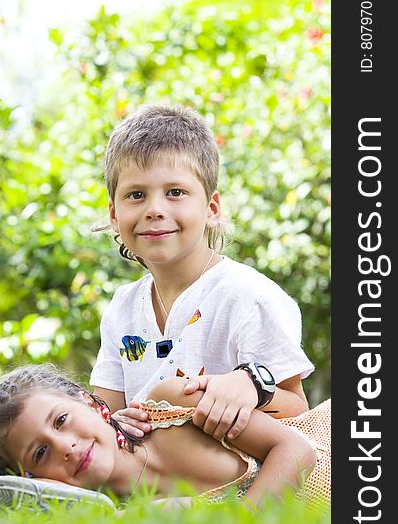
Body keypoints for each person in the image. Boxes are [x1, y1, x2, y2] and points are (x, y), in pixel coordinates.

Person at [90, 104, 316, 442]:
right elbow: (106, 414)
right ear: (114, 215)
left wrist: (252, 387)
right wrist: (116, 423)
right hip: (152, 480)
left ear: (211, 209)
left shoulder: (247, 295)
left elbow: (299, 409)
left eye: (175, 193)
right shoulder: (121, 308)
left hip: (234, 477)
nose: (154, 210)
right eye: (136, 195)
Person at [0, 364, 330, 509]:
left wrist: (243, 523)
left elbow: (296, 448)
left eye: (61, 420)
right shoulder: (125, 522)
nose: (66, 446)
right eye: (40, 453)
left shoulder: (171, 406)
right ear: (34, 482)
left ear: (90, 404)